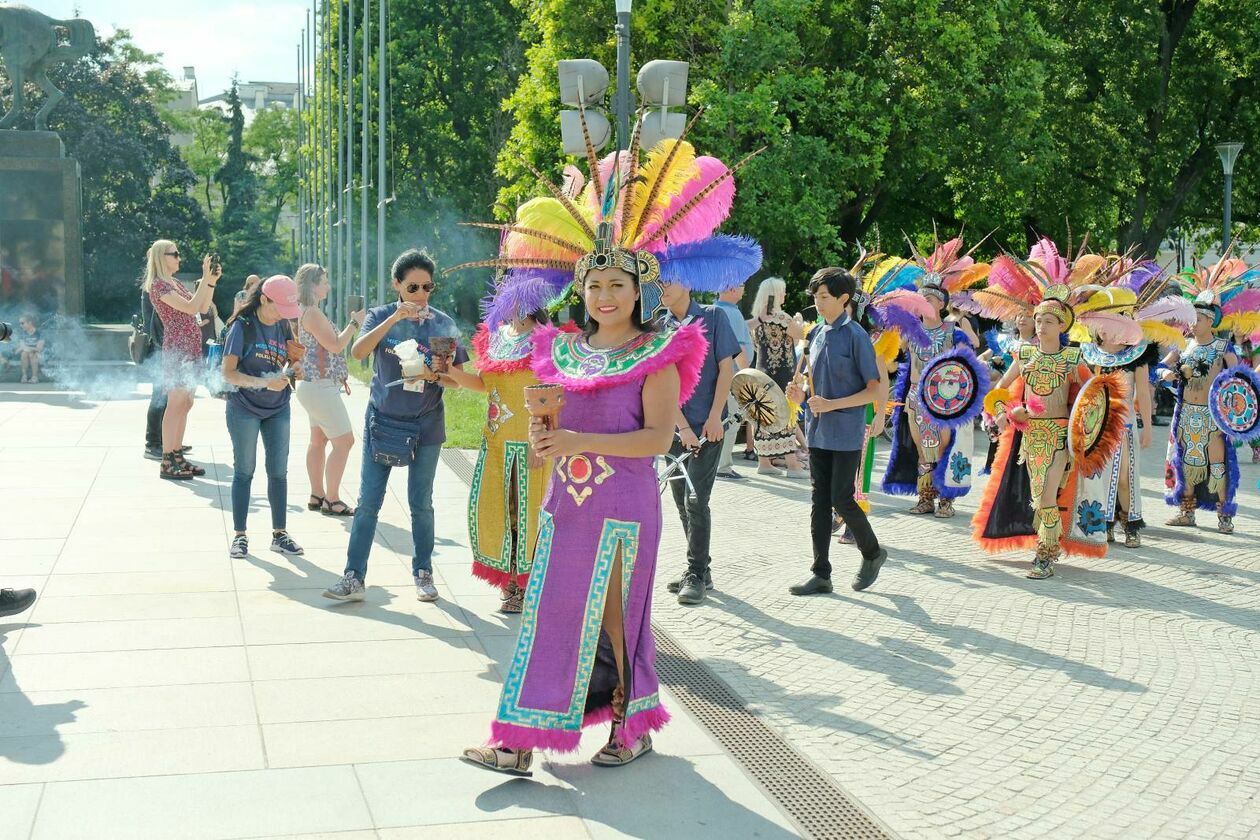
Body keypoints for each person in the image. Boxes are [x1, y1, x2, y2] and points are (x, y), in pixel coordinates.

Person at [457, 119, 749, 775]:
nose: (605, 295)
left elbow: (651, 441)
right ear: (581, 291)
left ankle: (630, 727)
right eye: (595, 285)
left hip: (623, 506)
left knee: (616, 623)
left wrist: (572, 438)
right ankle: (518, 741)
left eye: (618, 285)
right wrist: (542, 439)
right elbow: (548, 435)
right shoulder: (561, 349)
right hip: (565, 505)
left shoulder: (660, 354)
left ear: (638, 290)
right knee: (549, 616)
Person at [971, 242, 1128, 579]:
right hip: (1031, 437)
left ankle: (1044, 554)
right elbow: (997, 394)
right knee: (1039, 494)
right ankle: (1048, 543)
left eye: (1048, 321)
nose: (1041, 326)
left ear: (1062, 326)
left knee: (1044, 493)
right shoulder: (1024, 357)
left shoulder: (1074, 359)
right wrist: (1012, 412)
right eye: (1038, 320)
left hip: (1060, 438)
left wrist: (1085, 436)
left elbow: (1094, 399)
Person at [322, 249, 468, 603]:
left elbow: (458, 379)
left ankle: (423, 573)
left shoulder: (442, 323)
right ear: (397, 285)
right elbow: (357, 353)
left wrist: (439, 374)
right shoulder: (380, 315)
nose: (420, 296)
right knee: (369, 501)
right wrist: (394, 318)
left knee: (422, 502)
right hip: (384, 420)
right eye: (413, 287)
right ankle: (354, 577)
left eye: (427, 287)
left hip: (427, 423)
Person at [443, 300, 557, 614]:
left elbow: (553, 391)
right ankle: (509, 581)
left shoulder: (546, 339)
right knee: (497, 512)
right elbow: (483, 386)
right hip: (495, 444)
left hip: (530, 443)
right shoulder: (496, 336)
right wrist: (451, 372)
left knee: (527, 515)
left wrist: (541, 439)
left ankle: (524, 586)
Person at [786, 268, 888, 595]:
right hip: (817, 431)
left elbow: (873, 390)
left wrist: (832, 405)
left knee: (841, 497)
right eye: (815, 297)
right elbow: (809, 383)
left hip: (845, 431)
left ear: (844, 299)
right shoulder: (815, 334)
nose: (817, 303)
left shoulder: (857, 335)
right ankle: (821, 574)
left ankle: (872, 552)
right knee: (819, 500)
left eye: (824, 297)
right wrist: (798, 394)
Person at [882, 239, 988, 518]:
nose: (923, 303)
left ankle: (946, 499)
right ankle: (925, 497)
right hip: (916, 396)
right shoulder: (909, 332)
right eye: (920, 298)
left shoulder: (954, 333)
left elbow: (969, 366)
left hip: (946, 401)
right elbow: (891, 360)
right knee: (922, 450)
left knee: (943, 447)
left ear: (941, 303)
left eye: (928, 299)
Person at [660, 279, 742, 605]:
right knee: (681, 500)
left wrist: (712, 417)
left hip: (710, 427)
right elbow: (661, 381)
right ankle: (701, 570)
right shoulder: (658, 328)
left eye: (668, 280)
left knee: (696, 500)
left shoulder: (713, 318)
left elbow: (726, 370)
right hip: (673, 427)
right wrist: (682, 427)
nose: (661, 286)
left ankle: (694, 573)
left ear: (687, 283)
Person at [1160, 259, 1255, 532]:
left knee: (1217, 465)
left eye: (1198, 319)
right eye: (1191, 319)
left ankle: (1224, 516)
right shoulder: (1184, 346)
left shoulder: (1223, 347)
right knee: (1188, 464)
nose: (1193, 323)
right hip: (1187, 413)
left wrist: (1234, 413)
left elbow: (1240, 380)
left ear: (1210, 320)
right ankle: (1186, 512)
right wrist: (1167, 375)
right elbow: (1159, 369)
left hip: (1213, 416)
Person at [220, 276, 306, 560]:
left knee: (278, 472)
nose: (283, 314)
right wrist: (263, 383)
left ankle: (279, 534)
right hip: (244, 407)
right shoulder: (241, 328)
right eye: (278, 307)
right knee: (244, 470)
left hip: (278, 406)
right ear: (264, 299)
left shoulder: (283, 324)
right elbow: (228, 374)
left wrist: (295, 369)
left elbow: (293, 362)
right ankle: (240, 536)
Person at [144, 240, 220, 480]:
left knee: (186, 403)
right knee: (176, 403)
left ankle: (176, 455)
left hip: (189, 348)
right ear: (160, 257)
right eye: (174, 254)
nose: (179, 257)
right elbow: (190, 307)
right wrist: (205, 277)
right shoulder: (157, 286)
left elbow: (203, 306)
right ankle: (167, 460)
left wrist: (210, 281)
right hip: (177, 348)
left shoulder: (174, 283)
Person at [294, 263, 365, 516]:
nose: (328, 286)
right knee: (345, 441)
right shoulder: (312, 313)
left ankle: (317, 495)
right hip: (321, 387)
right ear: (313, 284)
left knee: (319, 440)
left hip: (314, 386)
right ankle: (332, 499)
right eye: (324, 281)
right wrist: (354, 324)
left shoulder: (306, 311)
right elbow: (335, 346)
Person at [750, 277, 807, 477]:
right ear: (774, 294)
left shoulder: (758, 319)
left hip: (761, 373)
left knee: (763, 418)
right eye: (782, 291)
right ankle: (793, 465)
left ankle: (764, 463)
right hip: (782, 374)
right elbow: (801, 335)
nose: (784, 295)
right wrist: (799, 320)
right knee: (786, 417)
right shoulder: (783, 318)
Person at [713, 283, 752, 479]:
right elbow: (739, 348)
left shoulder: (714, 310)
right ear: (732, 289)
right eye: (742, 285)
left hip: (719, 376)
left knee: (720, 419)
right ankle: (724, 466)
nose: (744, 290)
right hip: (734, 376)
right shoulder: (732, 313)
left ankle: (717, 464)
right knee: (732, 420)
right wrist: (747, 377)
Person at [16, 314, 44, 383]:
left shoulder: (39, 333)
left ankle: (35, 377)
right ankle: (24, 376)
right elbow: (21, 347)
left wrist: (28, 348)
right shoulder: (22, 333)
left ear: (30, 323)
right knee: (24, 353)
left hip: (40, 355)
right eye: (20, 323)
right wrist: (28, 348)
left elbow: (39, 349)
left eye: (22, 323)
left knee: (31, 354)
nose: (20, 325)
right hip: (26, 354)